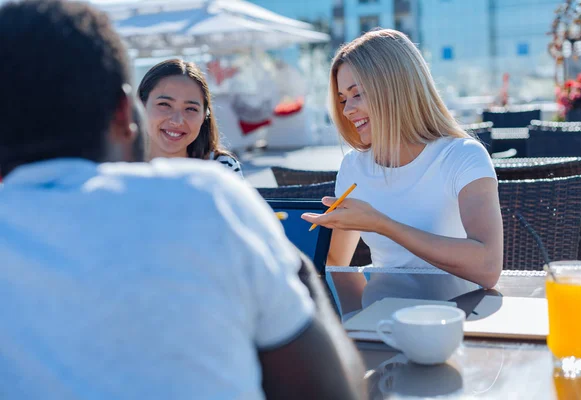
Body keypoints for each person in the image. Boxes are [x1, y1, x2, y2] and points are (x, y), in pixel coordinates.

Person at [0, 1, 365, 399]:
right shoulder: (208, 198)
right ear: (128, 111)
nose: (177, 120)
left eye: (191, 109)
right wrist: (291, 267)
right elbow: (333, 392)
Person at [302, 29, 503, 315]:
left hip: (456, 322)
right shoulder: (353, 167)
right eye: (343, 99)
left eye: (357, 94)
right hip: (382, 322)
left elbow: (487, 267)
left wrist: (382, 224)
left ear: (395, 88)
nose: (347, 110)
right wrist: (358, 320)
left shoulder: (462, 156)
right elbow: (336, 264)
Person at [138, 59, 243, 178]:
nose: (177, 121)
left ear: (204, 115)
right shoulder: (117, 169)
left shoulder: (221, 169)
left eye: (191, 109)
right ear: (141, 106)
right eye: (164, 104)